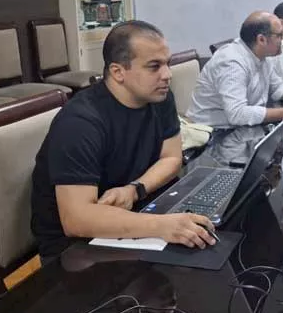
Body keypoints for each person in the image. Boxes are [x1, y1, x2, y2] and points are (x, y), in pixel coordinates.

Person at [31, 21, 216, 259]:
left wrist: (135, 190)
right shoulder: (80, 122)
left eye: (167, 64)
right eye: (154, 66)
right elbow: (77, 219)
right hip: (75, 249)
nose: (167, 75)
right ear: (118, 72)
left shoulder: (159, 98)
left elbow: (172, 157)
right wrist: (162, 226)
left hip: (134, 216)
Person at [187, 11, 283, 128]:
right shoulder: (232, 62)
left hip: (241, 128)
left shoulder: (264, 56)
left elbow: (277, 87)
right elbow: (237, 114)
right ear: (261, 40)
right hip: (212, 131)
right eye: (279, 35)